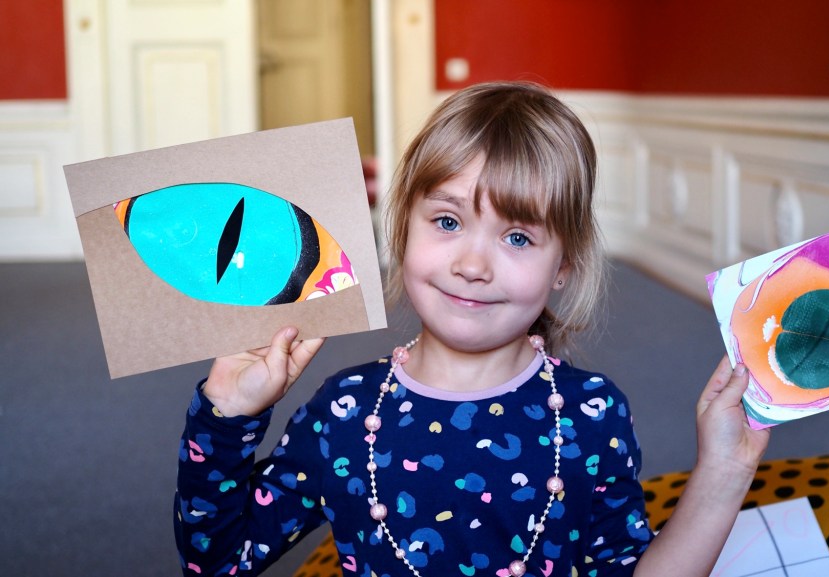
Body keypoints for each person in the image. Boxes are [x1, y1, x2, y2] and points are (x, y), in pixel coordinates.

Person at [175, 81, 770, 577]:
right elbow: (217, 562)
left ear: (563, 265)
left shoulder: (592, 414)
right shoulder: (345, 411)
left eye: (518, 237)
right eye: (447, 221)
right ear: (402, 228)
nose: (473, 264)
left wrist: (725, 471)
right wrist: (226, 417)